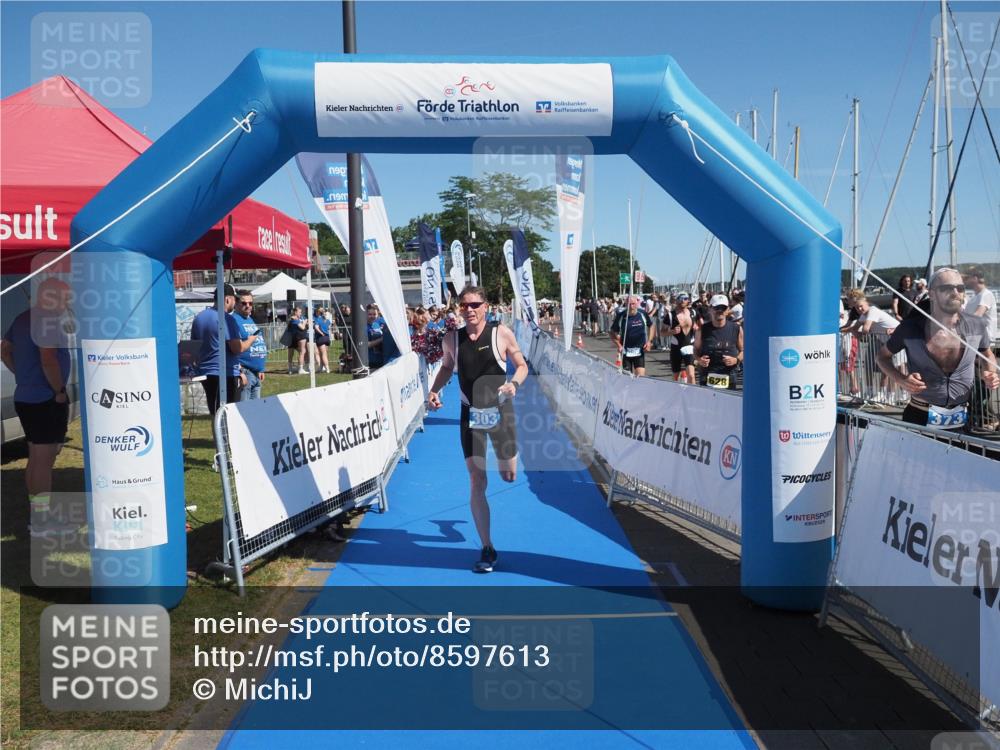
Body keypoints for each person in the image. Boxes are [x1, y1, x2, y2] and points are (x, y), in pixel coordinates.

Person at [426, 287, 528, 574]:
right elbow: (447, 367)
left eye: (475, 304)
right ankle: (487, 546)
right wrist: (434, 390)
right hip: (470, 413)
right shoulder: (452, 339)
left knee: (508, 476)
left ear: (486, 307)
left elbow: (521, 366)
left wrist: (514, 385)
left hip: (500, 412)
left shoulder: (502, 333)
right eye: (464, 305)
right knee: (476, 479)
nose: (469, 309)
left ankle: (511, 455)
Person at [876, 268, 999, 430]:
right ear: (932, 293)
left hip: (962, 418)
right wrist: (901, 379)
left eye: (960, 288)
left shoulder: (976, 325)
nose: (955, 293)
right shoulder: (910, 328)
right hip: (920, 415)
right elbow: (882, 356)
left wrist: (990, 372)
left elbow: (986, 354)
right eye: (947, 288)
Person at [1, 278, 74, 535]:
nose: (67, 303)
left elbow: (4, 349)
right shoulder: (47, 320)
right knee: (44, 460)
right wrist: (59, 391)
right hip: (45, 399)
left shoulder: (23, 317)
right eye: (65, 297)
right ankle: (42, 521)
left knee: (35, 458)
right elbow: (48, 359)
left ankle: (38, 515)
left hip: (27, 397)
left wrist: (20, 374)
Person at [190, 283, 257, 416]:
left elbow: (194, 346)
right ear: (227, 299)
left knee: (215, 412)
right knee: (227, 414)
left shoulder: (199, 317)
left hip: (206, 372)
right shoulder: (227, 319)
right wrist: (251, 340)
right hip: (225, 372)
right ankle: (225, 437)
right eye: (235, 299)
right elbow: (237, 348)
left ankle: (218, 437)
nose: (235, 303)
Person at [963, 268, 998, 428]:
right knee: (975, 381)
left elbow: (977, 315)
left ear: (976, 278)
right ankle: (980, 416)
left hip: (983, 344)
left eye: (968, 277)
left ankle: (989, 418)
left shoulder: (985, 295)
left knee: (982, 380)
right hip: (973, 343)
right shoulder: (974, 297)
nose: (966, 280)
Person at [694, 294, 743, 389]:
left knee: (728, 403)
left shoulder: (736, 329)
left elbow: (744, 350)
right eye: (717, 308)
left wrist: (735, 360)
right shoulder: (702, 330)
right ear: (710, 309)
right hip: (707, 375)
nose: (720, 311)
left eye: (723, 308)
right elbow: (695, 349)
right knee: (707, 403)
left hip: (729, 375)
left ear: (728, 310)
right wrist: (699, 360)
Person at [232, 290, 267, 400]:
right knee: (244, 410)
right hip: (244, 372)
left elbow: (257, 341)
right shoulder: (233, 320)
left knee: (255, 412)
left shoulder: (249, 319)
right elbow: (232, 348)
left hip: (256, 373)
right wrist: (239, 371)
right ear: (236, 304)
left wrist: (261, 368)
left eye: (250, 303)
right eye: (244, 303)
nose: (248, 306)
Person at [611, 295, 654, 376]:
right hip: (626, 351)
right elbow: (612, 332)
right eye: (629, 304)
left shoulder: (642, 313)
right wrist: (619, 345)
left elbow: (651, 326)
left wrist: (649, 342)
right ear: (626, 304)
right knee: (628, 378)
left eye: (633, 304)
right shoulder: (621, 315)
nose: (631, 306)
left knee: (641, 377)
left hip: (639, 350)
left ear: (637, 303)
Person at [667, 292, 698, 383]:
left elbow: (700, 325)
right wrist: (672, 331)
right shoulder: (670, 315)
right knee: (676, 376)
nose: (682, 301)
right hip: (676, 346)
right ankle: (675, 394)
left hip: (689, 345)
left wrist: (697, 328)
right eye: (680, 299)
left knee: (691, 375)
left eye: (685, 298)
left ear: (688, 300)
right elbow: (662, 332)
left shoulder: (693, 312)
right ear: (676, 301)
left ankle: (693, 395)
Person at [285, 307, 309, 374]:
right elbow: (302, 327)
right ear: (295, 312)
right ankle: (299, 369)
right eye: (299, 312)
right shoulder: (293, 319)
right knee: (301, 352)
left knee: (299, 352)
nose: (300, 313)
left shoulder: (296, 318)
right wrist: (304, 322)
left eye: (301, 312)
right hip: (295, 338)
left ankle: (293, 368)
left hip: (294, 338)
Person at [312, 307, 332, 373]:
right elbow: (329, 328)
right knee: (323, 353)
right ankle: (321, 367)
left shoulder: (318, 319)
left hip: (321, 338)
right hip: (327, 338)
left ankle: (327, 368)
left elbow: (316, 327)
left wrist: (321, 333)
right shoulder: (328, 321)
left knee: (323, 354)